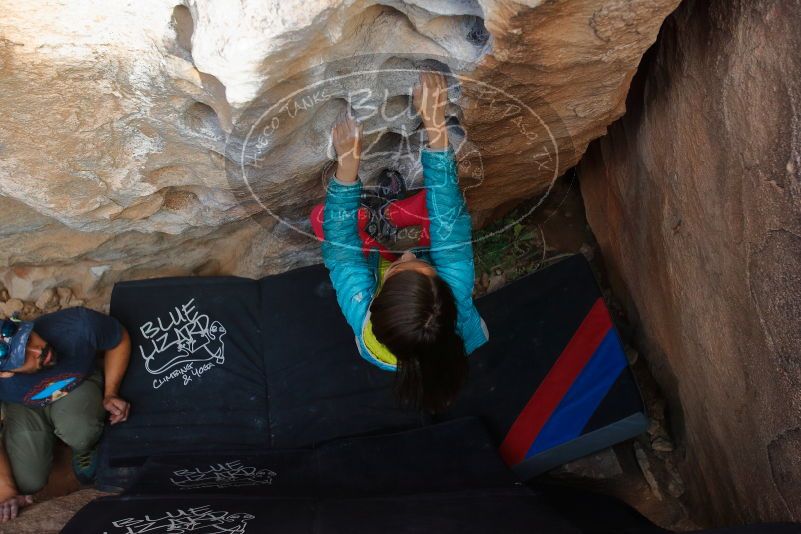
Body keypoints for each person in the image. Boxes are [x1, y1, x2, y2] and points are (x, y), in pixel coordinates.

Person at [312, 71, 489, 413]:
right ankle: (390, 216)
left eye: (400, 269)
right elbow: (448, 217)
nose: (406, 255)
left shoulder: (362, 313)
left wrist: (347, 167)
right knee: (438, 208)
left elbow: (340, 249)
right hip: (424, 275)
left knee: (324, 219)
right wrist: (435, 128)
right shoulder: (455, 287)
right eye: (421, 265)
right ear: (446, 293)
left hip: (371, 256)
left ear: (375, 300)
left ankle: (382, 217)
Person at [0, 306, 131, 523]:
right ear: (4, 374)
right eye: (24, 357)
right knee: (28, 482)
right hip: (26, 406)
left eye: (30, 339)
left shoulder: (76, 324)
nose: (39, 350)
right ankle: (41, 441)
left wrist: (111, 392)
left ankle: (84, 448)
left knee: (81, 431)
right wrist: (5, 489)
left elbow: (120, 338)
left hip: (76, 383)